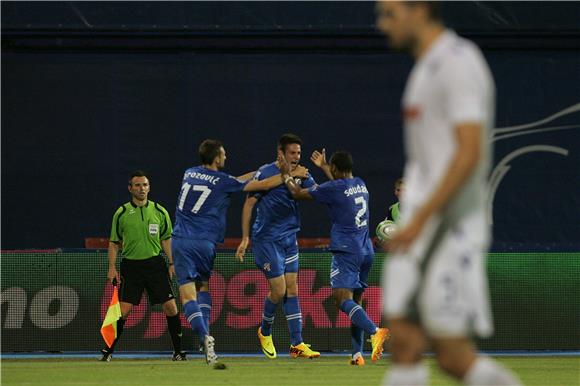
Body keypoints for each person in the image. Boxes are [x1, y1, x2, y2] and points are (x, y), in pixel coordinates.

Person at [376, 2, 521, 385]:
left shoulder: (458, 63)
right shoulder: (424, 70)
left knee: (453, 357)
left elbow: (469, 151)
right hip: (419, 229)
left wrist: (418, 220)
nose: (382, 23)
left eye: (389, 13)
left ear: (419, 10)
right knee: (403, 341)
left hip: (449, 229)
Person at [172, 139, 308, 365]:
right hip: (205, 243)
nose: (226, 157)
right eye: (223, 154)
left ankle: (204, 336)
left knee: (187, 296)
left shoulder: (189, 173)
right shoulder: (223, 181)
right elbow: (261, 186)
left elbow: (241, 180)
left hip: (180, 240)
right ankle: (207, 339)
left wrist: (260, 172)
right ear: (216, 158)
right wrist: (287, 175)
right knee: (203, 286)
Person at [279, 149, 390, 366]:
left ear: (336, 169)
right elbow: (339, 189)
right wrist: (324, 167)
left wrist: (286, 175)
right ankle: (357, 354)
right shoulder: (359, 183)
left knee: (341, 299)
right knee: (355, 301)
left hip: (347, 250)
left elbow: (297, 193)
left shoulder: (334, 188)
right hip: (366, 249)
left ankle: (375, 331)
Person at [236, 133, 320, 360]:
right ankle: (264, 331)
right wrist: (245, 238)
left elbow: (317, 192)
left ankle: (297, 344)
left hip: (289, 238)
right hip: (266, 240)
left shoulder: (302, 173)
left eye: (299, 153)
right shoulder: (266, 172)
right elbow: (248, 204)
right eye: (292, 153)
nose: (296, 157)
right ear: (280, 153)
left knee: (292, 289)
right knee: (280, 290)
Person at [102, 170, 184, 362]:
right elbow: (114, 243)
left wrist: (172, 262)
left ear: (149, 187)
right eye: (137, 185)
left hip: (155, 265)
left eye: (145, 185)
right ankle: (108, 351)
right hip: (132, 266)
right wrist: (112, 267)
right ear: (130, 188)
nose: (142, 189)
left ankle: (178, 352)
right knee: (123, 311)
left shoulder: (159, 211)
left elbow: (166, 240)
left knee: (171, 307)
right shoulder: (121, 213)